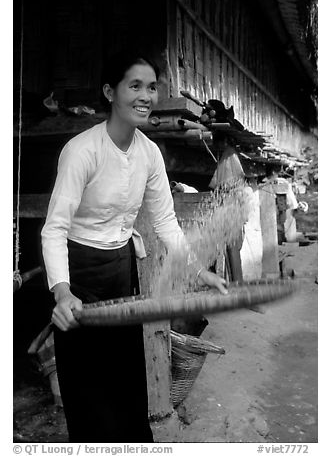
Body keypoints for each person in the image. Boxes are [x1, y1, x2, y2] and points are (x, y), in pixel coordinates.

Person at [41, 49, 228, 443]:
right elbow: (54, 228)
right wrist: (62, 292)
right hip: (80, 276)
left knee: (126, 380)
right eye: (135, 86)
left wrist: (199, 271)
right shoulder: (82, 151)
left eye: (153, 87)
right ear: (110, 92)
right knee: (87, 388)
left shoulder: (149, 153)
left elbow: (165, 224)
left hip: (123, 271)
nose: (147, 96)